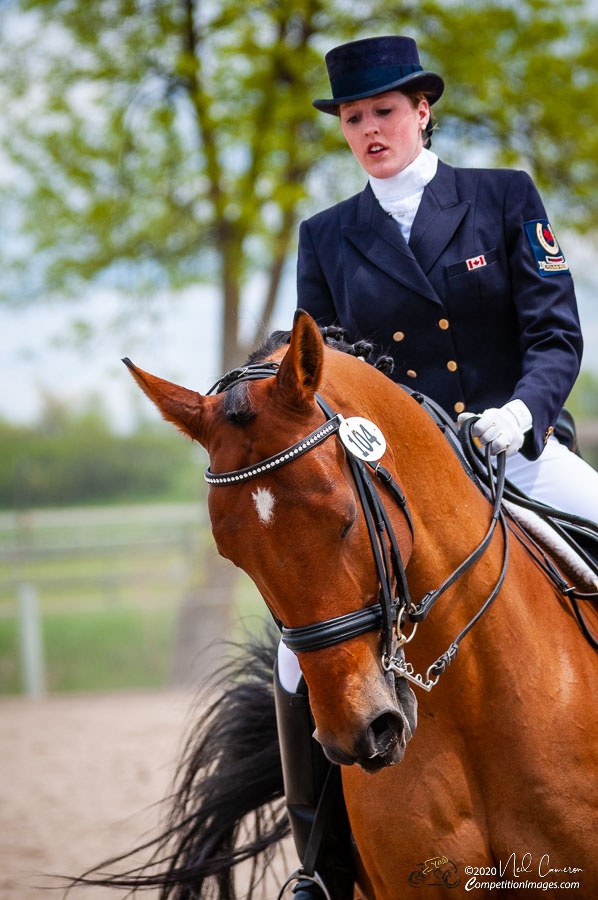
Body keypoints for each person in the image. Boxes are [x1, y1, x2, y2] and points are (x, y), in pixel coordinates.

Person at [273, 34, 598, 900]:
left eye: (384, 111)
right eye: (354, 118)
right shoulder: (328, 237)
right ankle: (321, 866)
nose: (371, 129)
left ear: (422, 110)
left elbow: (556, 329)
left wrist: (524, 412)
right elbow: (321, 366)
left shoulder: (501, 198)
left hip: (515, 451)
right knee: (289, 657)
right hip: (398, 480)